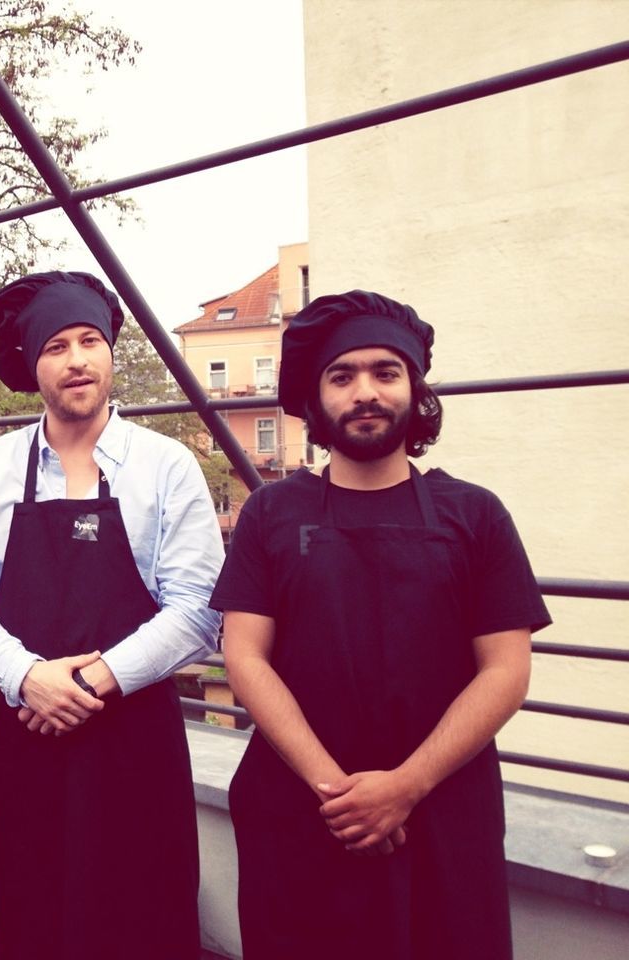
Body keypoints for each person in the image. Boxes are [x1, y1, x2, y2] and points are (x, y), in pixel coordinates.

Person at [211, 290, 549, 959]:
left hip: (441, 813)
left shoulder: (476, 515)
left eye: (384, 373)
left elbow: (507, 670)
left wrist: (406, 786)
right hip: (300, 810)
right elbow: (244, 656)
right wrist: (336, 791)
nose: (364, 391)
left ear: (414, 391)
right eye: (342, 376)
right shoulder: (271, 514)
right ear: (316, 400)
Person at [0, 271, 224, 960]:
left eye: (90, 340)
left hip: (135, 737)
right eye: (56, 345)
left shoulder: (167, 466)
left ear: (111, 351)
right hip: (28, 734)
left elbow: (197, 608)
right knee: (38, 914)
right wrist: (28, 676)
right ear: (33, 366)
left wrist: (91, 683)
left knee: (143, 916)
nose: (77, 359)